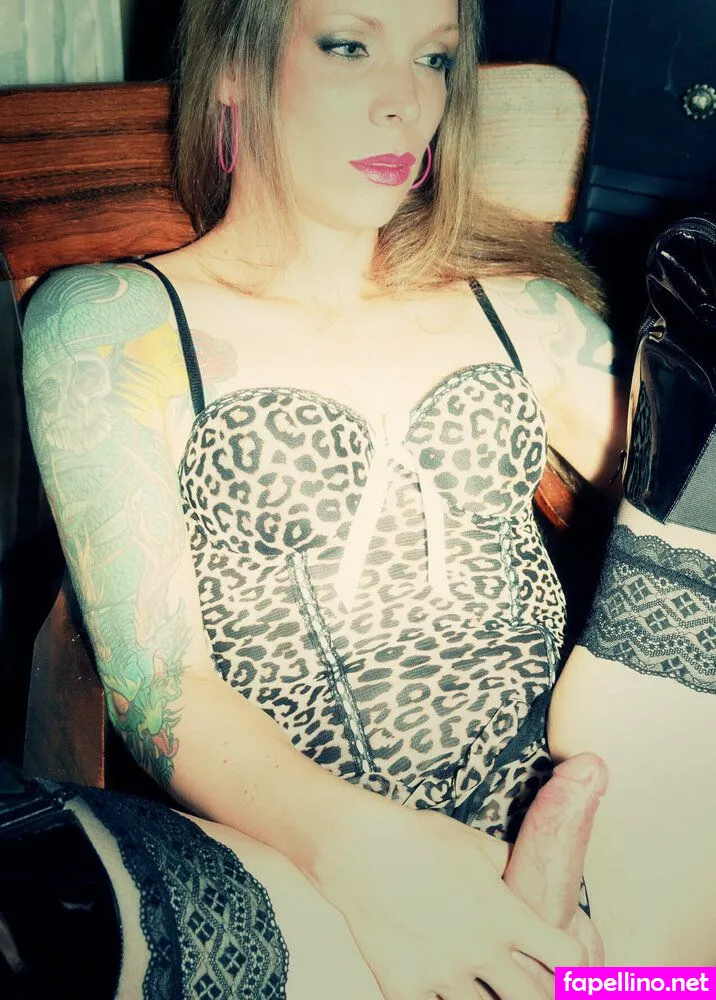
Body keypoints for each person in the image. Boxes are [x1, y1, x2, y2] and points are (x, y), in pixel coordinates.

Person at [12, 0, 716, 995]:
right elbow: (160, 685)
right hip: (296, 858)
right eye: (349, 46)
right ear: (233, 64)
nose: (406, 104)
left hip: (591, 826)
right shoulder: (110, 322)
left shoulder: (522, 313)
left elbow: (677, 540)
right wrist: (371, 858)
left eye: (434, 59)